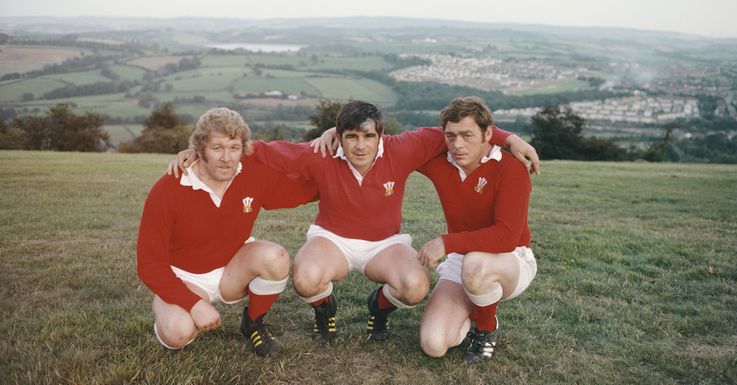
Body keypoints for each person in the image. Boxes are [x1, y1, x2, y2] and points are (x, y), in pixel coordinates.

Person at [171, 101, 538, 344]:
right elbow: (259, 150)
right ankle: (324, 307)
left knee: (414, 286)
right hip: (333, 239)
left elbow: (464, 128)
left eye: (368, 136)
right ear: (339, 137)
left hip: (385, 243)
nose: (360, 146)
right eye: (351, 137)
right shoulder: (322, 153)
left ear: (381, 135)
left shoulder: (405, 147)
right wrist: (198, 152)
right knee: (304, 276)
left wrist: (511, 138)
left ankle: (380, 303)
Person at [137, 107, 317, 355]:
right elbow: (149, 264)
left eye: (234, 148)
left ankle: (253, 323)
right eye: (217, 148)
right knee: (177, 332)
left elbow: (302, 191)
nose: (227, 158)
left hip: (231, 269)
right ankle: (170, 308)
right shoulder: (169, 188)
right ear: (200, 149)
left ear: (243, 149)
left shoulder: (251, 174)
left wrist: (344, 175)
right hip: (186, 279)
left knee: (275, 257)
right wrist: (194, 304)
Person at [416, 97, 537, 362]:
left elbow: (506, 238)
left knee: (475, 265)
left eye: (468, 135)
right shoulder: (440, 161)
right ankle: (474, 303)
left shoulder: (511, 168)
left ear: (488, 133)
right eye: (451, 136)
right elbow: (393, 146)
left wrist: (445, 243)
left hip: (511, 258)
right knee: (434, 344)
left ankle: (486, 327)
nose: (458, 145)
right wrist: (337, 132)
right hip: (463, 256)